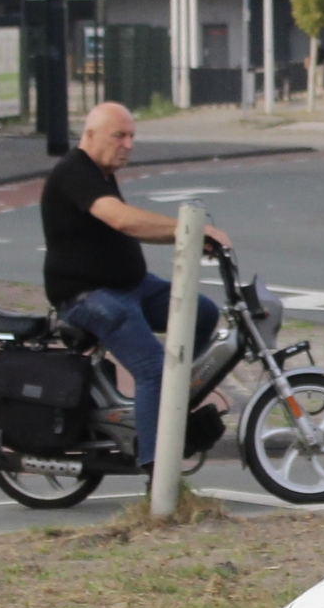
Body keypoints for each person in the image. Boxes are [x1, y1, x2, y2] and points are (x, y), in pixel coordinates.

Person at [42, 102, 230, 471]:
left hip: (131, 287)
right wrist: (189, 229)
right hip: (88, 297)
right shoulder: (74, 172)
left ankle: (169, 404)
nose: (128, 144)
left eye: (132, 137)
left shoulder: (102, 172)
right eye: (119, 136)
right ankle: (154, 466)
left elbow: (135, 229)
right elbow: (122, 221)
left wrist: (193, 240)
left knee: (203, 313)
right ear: (91, 135)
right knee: (152, 368)